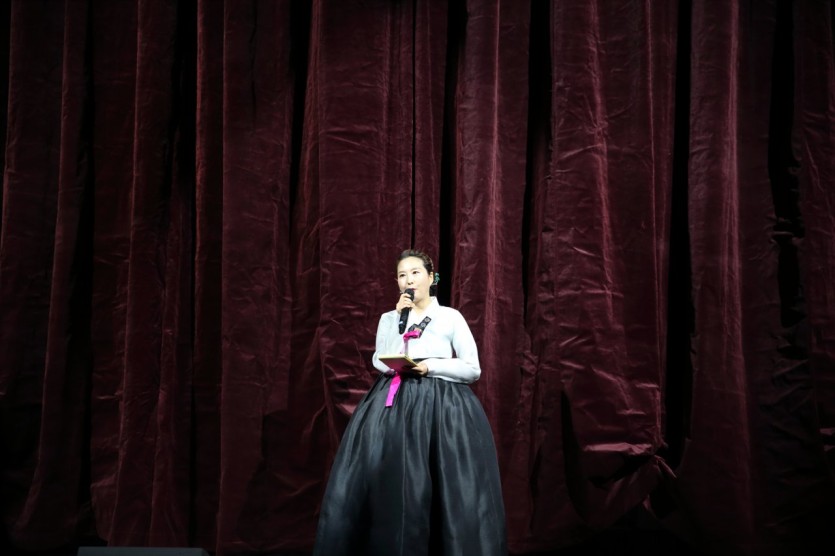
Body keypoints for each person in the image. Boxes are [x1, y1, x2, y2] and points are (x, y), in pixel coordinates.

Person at [312, 249, 507, 556]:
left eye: (415, 273)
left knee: (445, 479)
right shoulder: (390, 318)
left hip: (442, 407)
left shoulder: (450, 317)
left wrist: (430, 366)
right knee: (392, 477)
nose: (408, 280)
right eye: (402, 275)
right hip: (393, 403)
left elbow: (472, 368)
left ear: (431, 277)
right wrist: (398, 326)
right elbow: (380, 359)